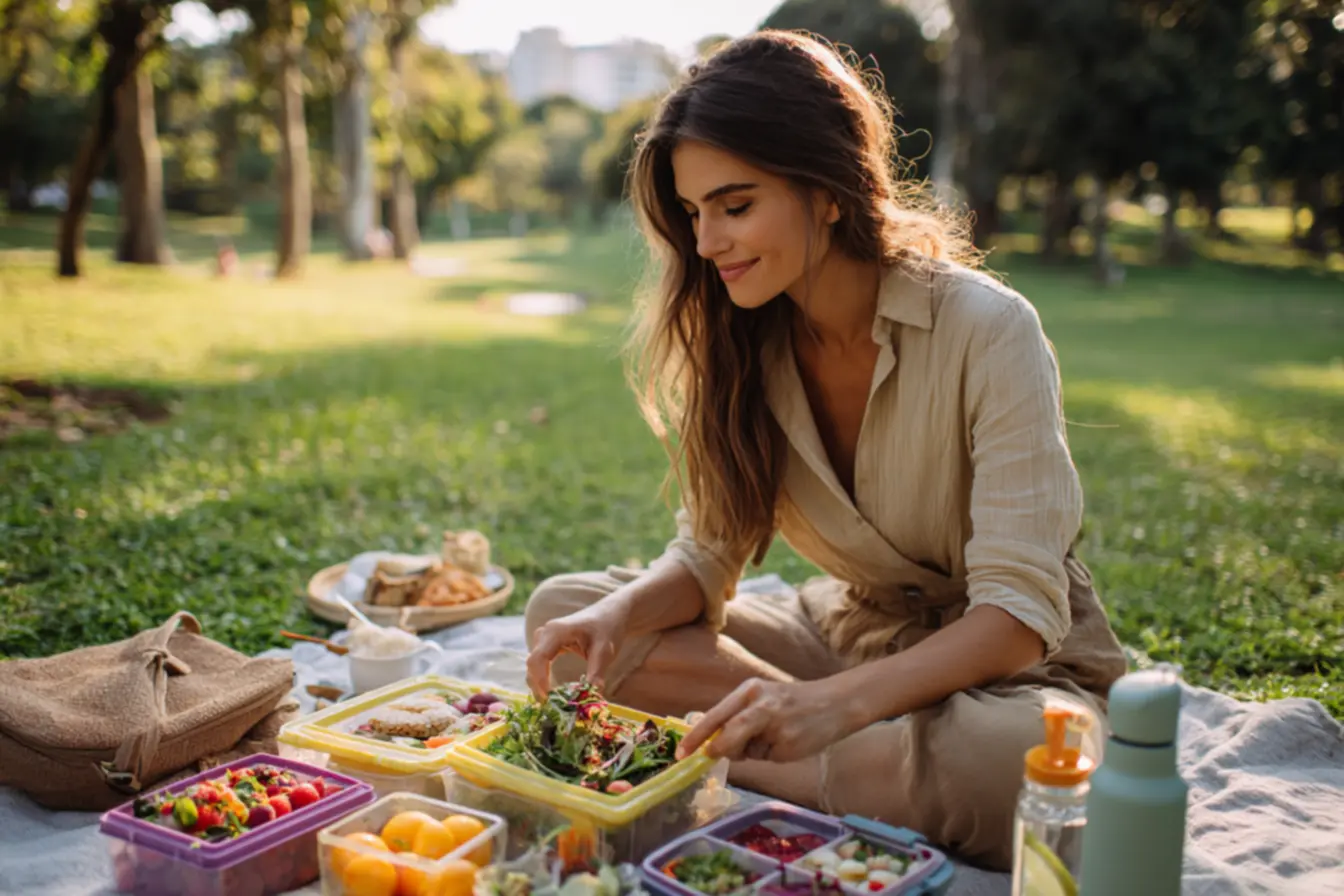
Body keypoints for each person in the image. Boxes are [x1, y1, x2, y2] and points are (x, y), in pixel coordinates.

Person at [522, 30, 1128, 870]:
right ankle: (845, 762)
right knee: (564, 618)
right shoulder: (741, 343)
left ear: (830, 191)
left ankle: (763, 759)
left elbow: (1019, 620)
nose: (705, 244)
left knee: (1017, 767)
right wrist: (619, 616)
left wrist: (829, 706)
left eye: (735, 207)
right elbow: (707, 558)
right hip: (852, 635)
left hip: (1014, 678)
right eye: (694, 214)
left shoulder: (990, 330)